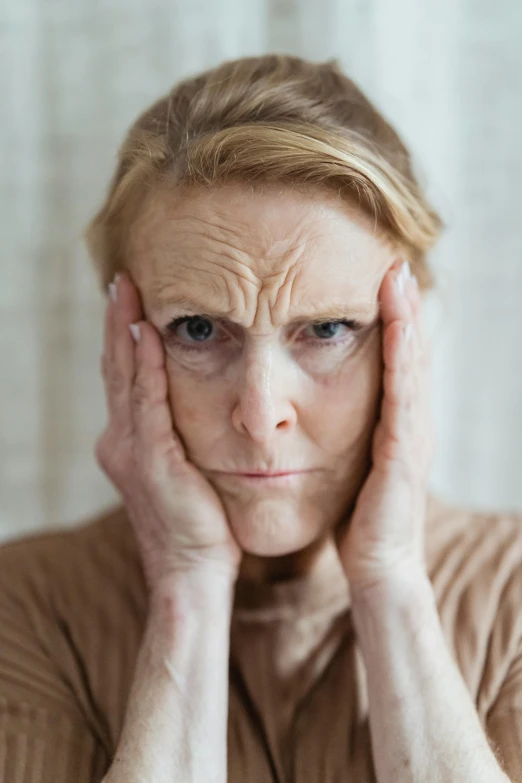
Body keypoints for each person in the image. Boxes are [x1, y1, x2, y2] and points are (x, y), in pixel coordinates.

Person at [0, 54, 520, 783]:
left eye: (330, 329)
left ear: (409, 338)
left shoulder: (512, 596)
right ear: (124, 341)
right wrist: (187, 582)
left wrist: (392, 582)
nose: (260, 413)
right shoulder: (24, 608)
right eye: (199, 331)